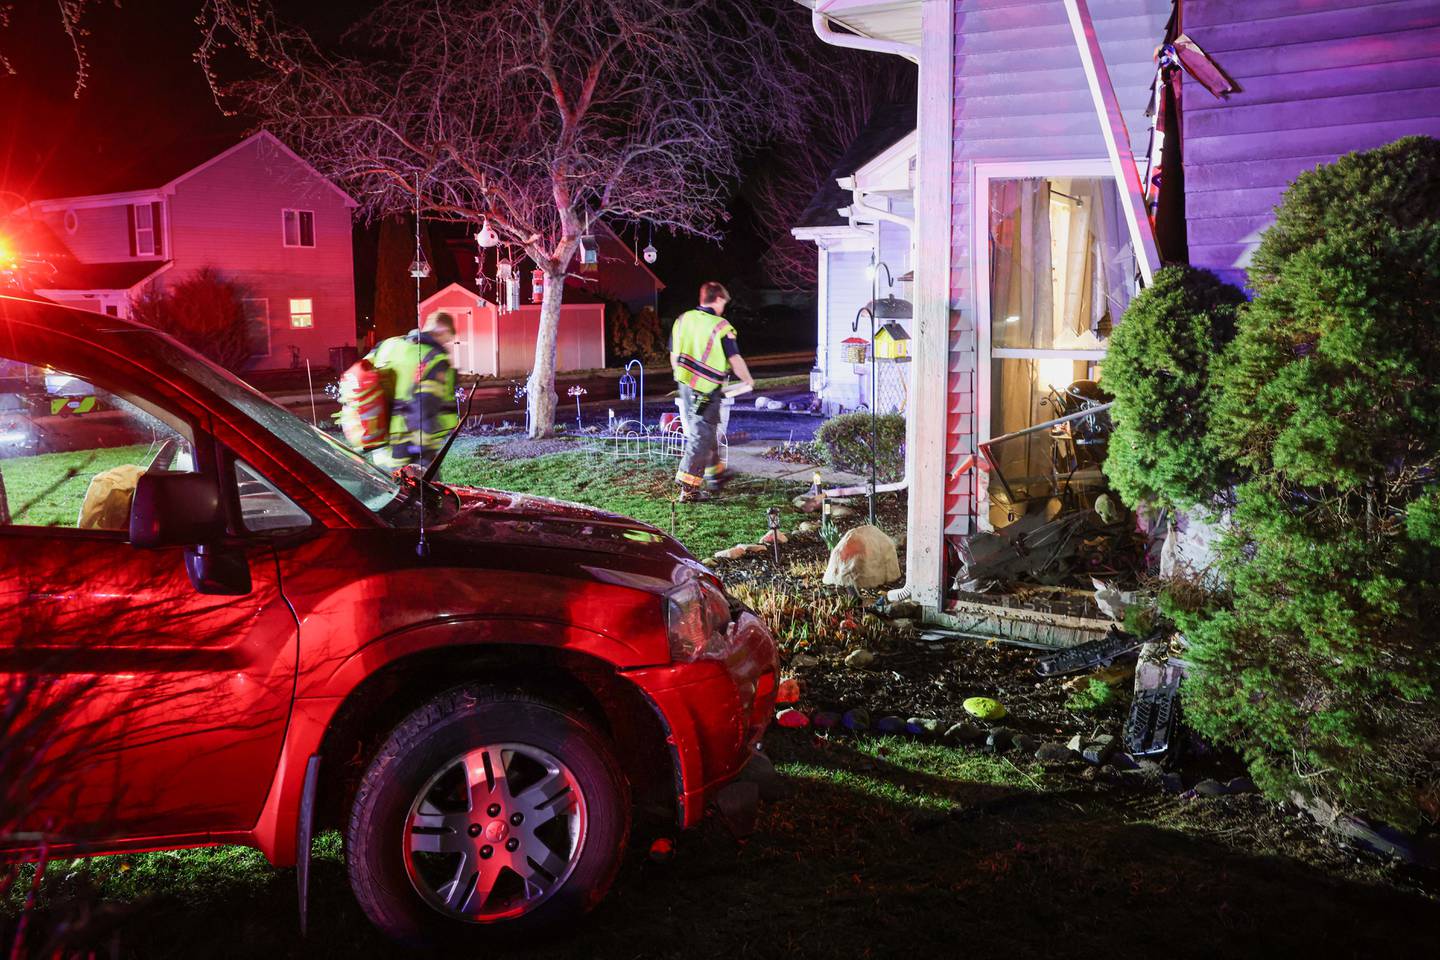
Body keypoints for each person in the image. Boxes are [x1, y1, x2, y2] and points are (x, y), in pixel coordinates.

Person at [670, 281, 753, 501]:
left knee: (706, 431)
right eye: (723, 302)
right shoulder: (720, 326)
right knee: (702, 433)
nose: (724, 307)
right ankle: (688, 488)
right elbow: (734, 358)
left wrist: (683, 378)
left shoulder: (682, 320)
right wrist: (748, 380)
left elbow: (673, 353)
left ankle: (716, 475)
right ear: (717, 299)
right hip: (706, 390)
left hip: (686, 385)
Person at [367, 312, 458, 470]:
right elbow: (424, 404)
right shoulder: (434, 358)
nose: (447, 343)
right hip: (411, 442)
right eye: (448, 338)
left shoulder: (390, 346)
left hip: (383, 435)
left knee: (393, 487)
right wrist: (422, 447)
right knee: (424, 489)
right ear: (442, 330)